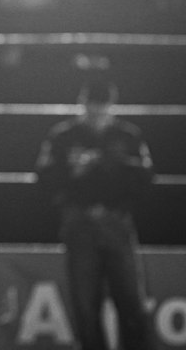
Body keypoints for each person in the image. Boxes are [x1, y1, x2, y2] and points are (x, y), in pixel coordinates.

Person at [35, 79, 154, 350]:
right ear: (83, 104)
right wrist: (72, 178)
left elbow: (146, 179)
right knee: (85, 302)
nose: (97, 112)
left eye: (102, 107)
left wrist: (119, 177)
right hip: (79, 221)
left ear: (112, 106)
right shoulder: (63, 137)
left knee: (130, 298)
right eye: (93, 106)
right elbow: (44, 178)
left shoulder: (128, 136)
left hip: (116, 220)